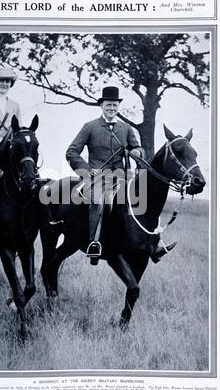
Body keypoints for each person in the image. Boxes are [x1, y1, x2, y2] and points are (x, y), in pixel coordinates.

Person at [66, 86, 176, 265]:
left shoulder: (126, 128)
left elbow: (136, 147)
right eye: (108, 105)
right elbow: (71, 152)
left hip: (123, 177)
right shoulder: (89, 127)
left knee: (147, 200)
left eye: (115, 105)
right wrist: (87, 170)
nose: (112, 108)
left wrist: (138, 152)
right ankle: (94, 243)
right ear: (102, 106)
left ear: (118, 107)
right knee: (100, 201)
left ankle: (155, 244)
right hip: (97, 178)